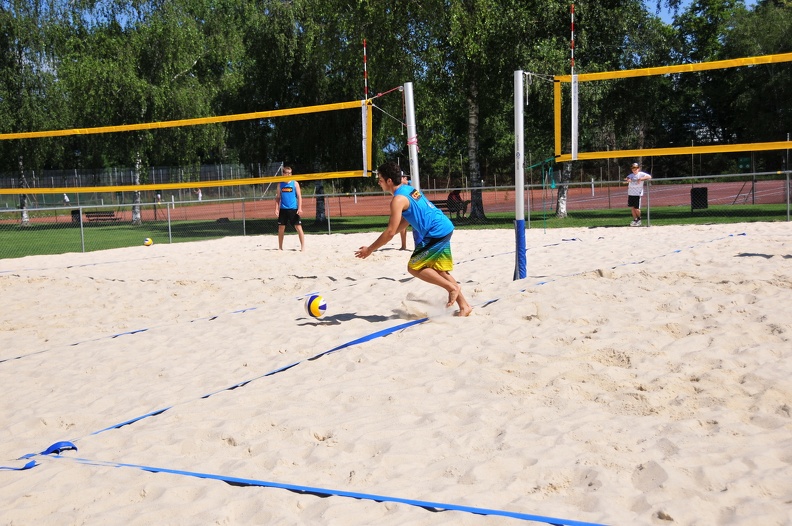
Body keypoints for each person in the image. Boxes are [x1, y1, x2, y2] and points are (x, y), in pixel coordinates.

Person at [355, 161, 472, 316]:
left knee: (414, 267)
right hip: (443, 226)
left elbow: (390, 232)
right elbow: (406, 221)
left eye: (380, 179)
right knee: (439, 270)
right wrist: (389, 236)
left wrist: (370, 249)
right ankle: (464, 306)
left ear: (389, 181)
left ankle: (452, 288)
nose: (378, 182)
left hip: (435, 232)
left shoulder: (397, 200)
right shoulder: (409, 189)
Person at [276, 166, 306, 251]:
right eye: (287, 173)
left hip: (293, 208)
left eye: (290, 173)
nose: (289, 174)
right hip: (283, 209)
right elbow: (278, 197)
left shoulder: (295, 183)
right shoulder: (280, 184)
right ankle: (280, 247)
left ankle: (303, 247)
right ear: (284, 173)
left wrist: (299, 208)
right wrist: (276, 209)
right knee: (281, 228)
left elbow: (299, 196)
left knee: (298, 227)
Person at [625, 162, 652, 226]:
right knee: (632, 207)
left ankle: (639, 219)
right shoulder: (631, 175)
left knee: (636, 208)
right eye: (633, 169)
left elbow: (649, 176)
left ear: (638, 168)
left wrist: (641, 179)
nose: (634, 170)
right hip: (631, 193)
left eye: (635, 168)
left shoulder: (641, 174)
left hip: (637, 193)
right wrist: (628, 179)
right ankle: (635, 219)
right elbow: (627, 178)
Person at [398, 173, 410, 250]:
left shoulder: (411, 184)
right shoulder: (399, 188)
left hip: (411, 208)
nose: (405, 178)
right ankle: (403, 245)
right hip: (405, 208)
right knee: (402, 226)